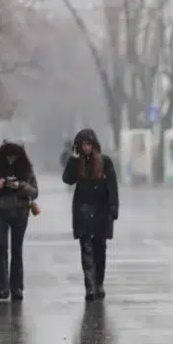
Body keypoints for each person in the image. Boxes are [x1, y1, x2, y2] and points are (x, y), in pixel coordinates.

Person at [61, 129, 119, 302]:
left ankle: (99, 282)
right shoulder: (77, 162)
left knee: (99, 250)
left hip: (101, 212)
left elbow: (112, 186)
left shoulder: (104, 161)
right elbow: (67, 179)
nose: (86, 148)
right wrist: (73, 159)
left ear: (93, 144)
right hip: (83, 212)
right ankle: (90, 286)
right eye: (82, 144)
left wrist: (113, 208)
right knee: (86, 250)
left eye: (88, 144)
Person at [0, 139, 39, 302]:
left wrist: (20, 186)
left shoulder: (27, 172)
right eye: (8, 155)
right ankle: (2, 288)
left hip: (20, 213)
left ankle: (17, 287)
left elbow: (34, 192)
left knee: (17, 249)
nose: (11, 159)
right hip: (0, 213)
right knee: (1, 248)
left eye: (14, 155)